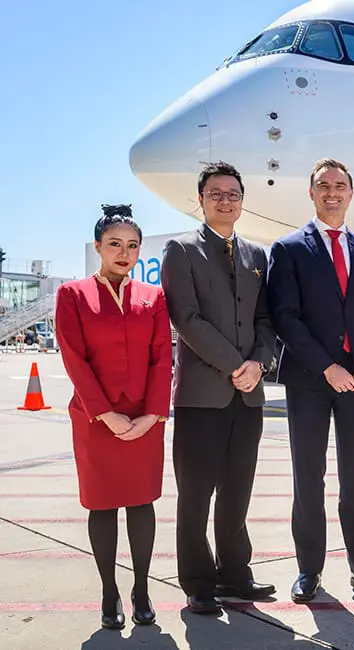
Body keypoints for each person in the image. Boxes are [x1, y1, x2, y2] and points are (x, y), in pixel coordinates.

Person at [267, 158, 354, 602]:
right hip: (310, 381)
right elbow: (286, 318)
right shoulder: (288, 249)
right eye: (324, 185)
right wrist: (326, 366)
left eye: (340, 185)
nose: (332, 192)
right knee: (309, 478)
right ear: (311, 192)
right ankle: (309, 570)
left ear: (351, 193)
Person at [161, 161, 277, 615]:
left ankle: (235, 572)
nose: (225, 200)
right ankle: (197, 581)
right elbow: (186, 318)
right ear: (201, 200)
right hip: (201, 396)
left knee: (237, 489)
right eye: (216, 193)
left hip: (248, 395)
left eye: (233, 194)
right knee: (196, 493)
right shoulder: (182, 250)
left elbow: (266, 318)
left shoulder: (256, 256)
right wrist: (235, 365)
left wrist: (259, 363)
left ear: (242, 200)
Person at [55, 205, 171, 630]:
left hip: (144, 420)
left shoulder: (153, 297)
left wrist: (153, 414)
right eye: (115, 244)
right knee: (101, 505)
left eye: (133, 245)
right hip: (94, 420)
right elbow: (74, 359)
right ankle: (109, 591)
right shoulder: (73, 294)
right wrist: (105, 414)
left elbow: (162, 357)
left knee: (142, 503)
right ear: (99, 247)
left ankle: (141, 588)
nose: (125, 253)